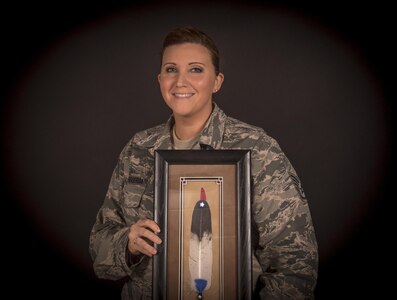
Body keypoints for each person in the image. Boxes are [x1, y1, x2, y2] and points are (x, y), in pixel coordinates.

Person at [89, 26, 318, 299]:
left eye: (195, 69)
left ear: (217, 81)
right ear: (159, 78)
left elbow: (295, 262)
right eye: (171, 69)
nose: (180, 82)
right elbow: (99, 249)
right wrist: (128, 243)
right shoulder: (138, 149)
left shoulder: (257, 149)